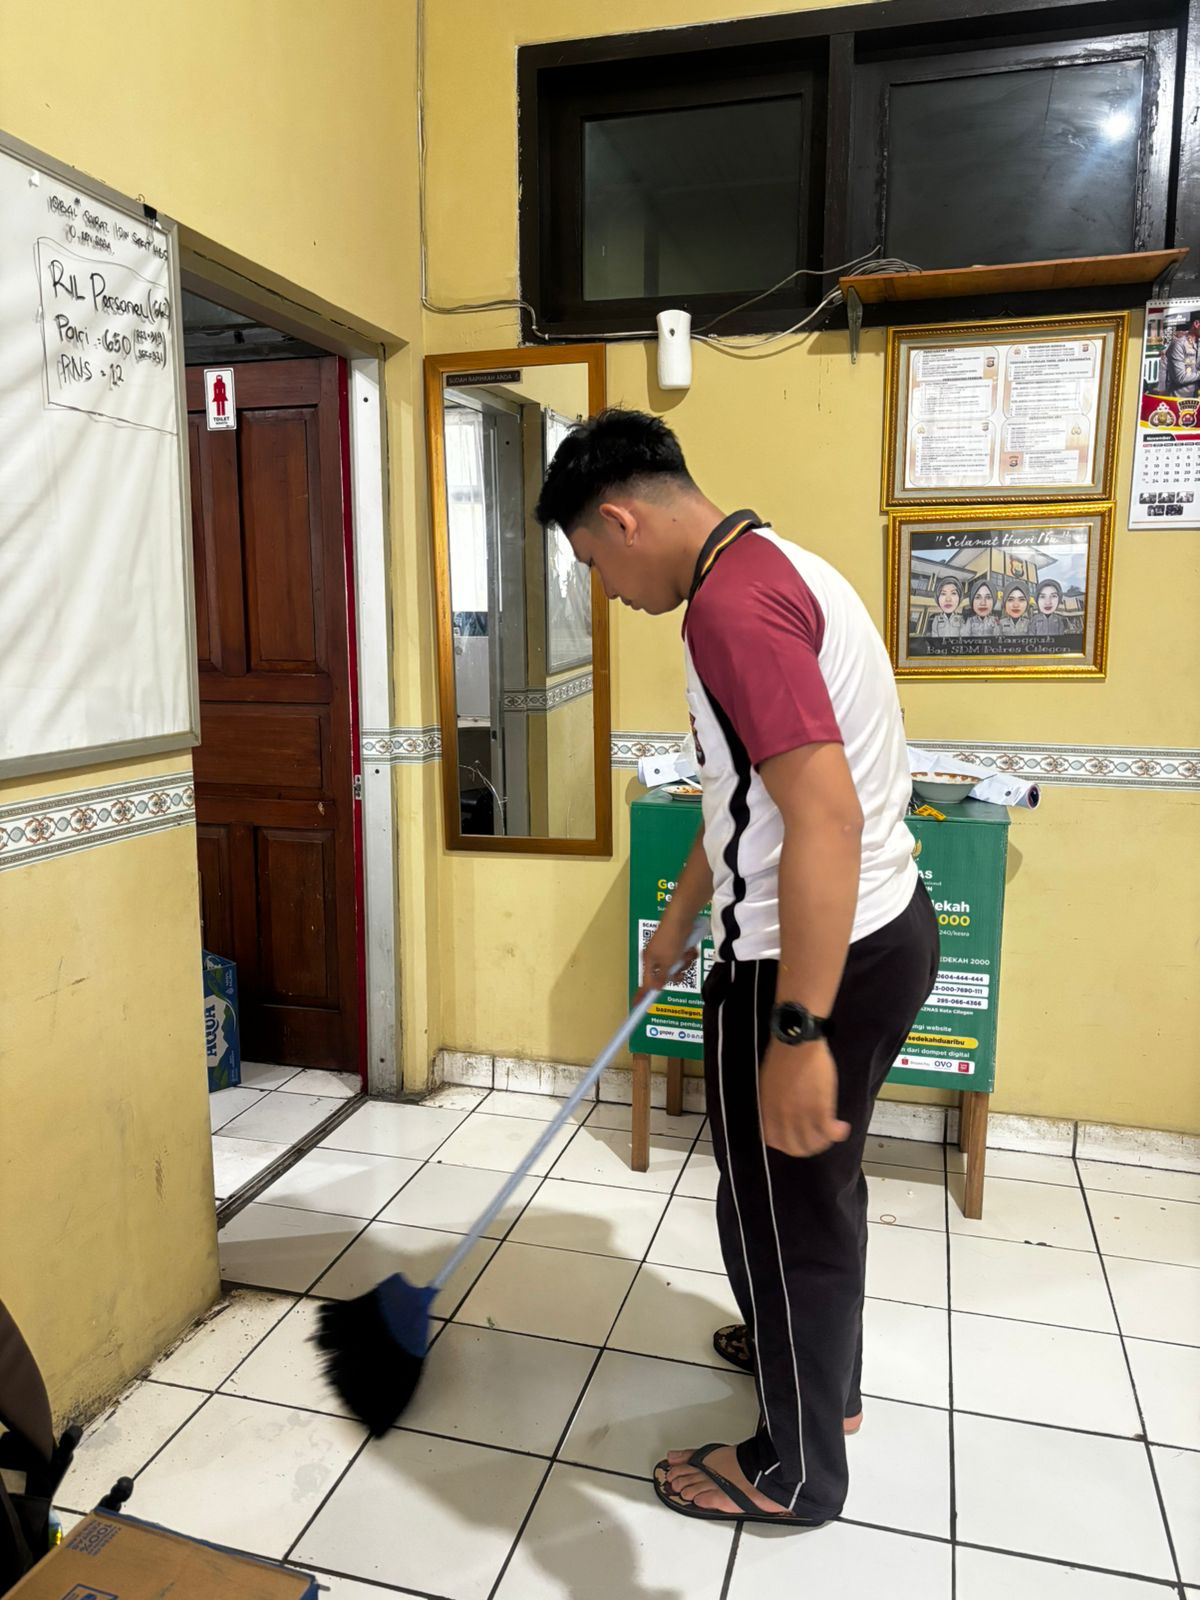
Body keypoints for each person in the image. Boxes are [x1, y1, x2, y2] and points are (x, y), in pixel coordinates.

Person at [535, 410, 939, 1530]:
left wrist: (798, 1029)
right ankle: (817, 1377)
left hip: (808, 956)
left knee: (780, 1213)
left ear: (623, 519)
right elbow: (744, 800)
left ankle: (792, 1473)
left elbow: (824, 816)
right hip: (878, 930)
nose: (608, 591)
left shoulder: (728, 609)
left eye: (593, 562)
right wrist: (676, 925)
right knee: (806, 1194)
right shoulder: (776, 567)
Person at [1162, 310, 1200, 400]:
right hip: (1177, 400)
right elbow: (1180, 377)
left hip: (1195, 399)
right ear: (1196, 324)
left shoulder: (1198, 344)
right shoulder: (1178, 345)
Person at [927, 574, 964, 642]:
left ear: (959, 597)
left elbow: (963, 636)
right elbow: (934, 635)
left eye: (953, 593)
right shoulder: (936, 619)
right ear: (938, 598)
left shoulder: (960, 619)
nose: (948, 599)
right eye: (943, 594)